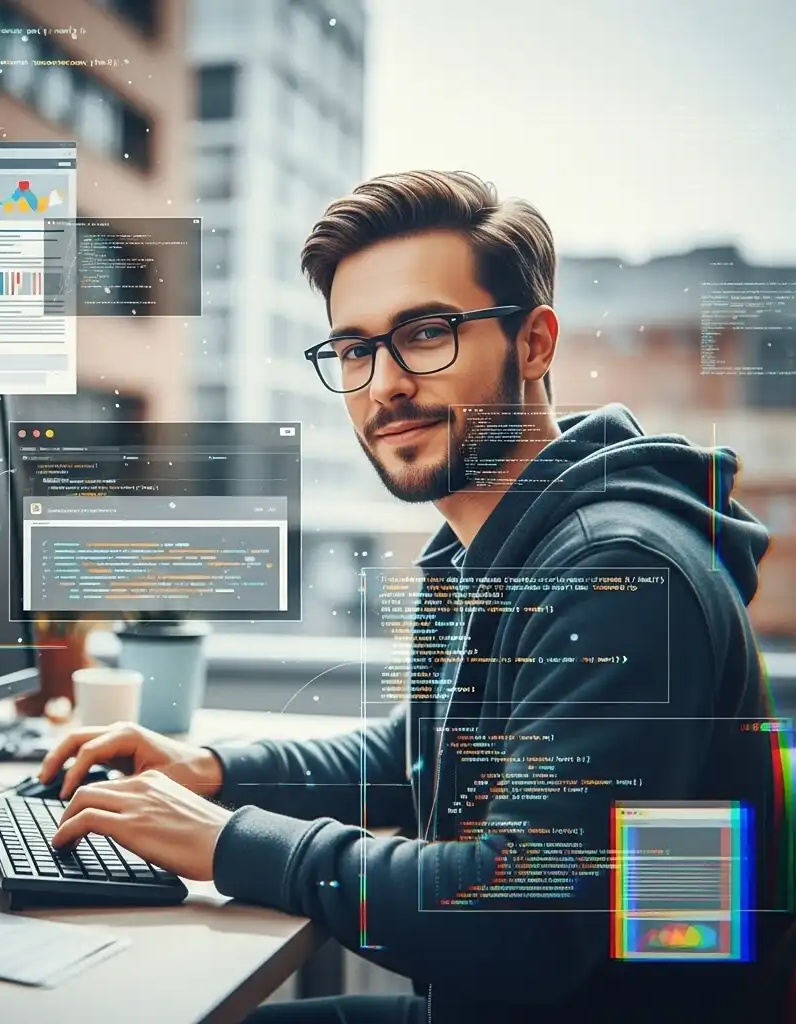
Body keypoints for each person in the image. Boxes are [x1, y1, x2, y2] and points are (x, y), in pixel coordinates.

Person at [42, 171, 792, 1022]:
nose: (384, 384)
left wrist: (226, 842)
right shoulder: (491, 549)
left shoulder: (616, 575)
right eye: (354, 349)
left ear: (534, 343)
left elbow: (523, 921)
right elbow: (419, 755)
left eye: (426, 333)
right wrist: (210, 771)